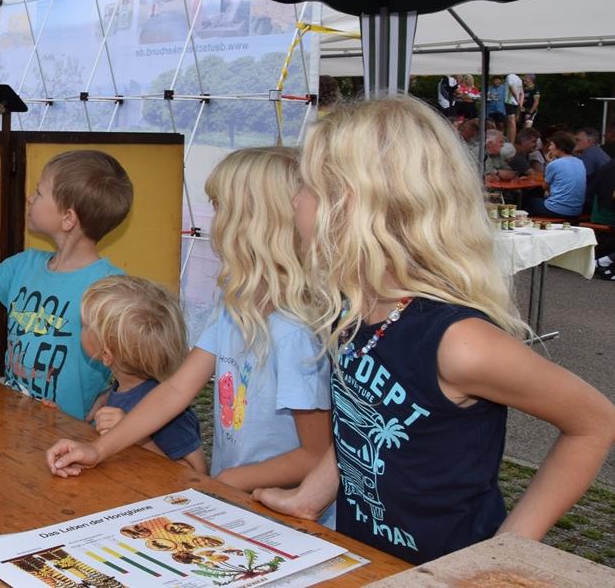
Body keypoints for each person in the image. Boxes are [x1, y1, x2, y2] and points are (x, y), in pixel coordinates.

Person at [251, 97, 614, 566]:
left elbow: (595, 423)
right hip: (371, 558)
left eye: (306, 184)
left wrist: (505, 552)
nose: (295, 197)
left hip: (448, 567)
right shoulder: (354, 309)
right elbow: (357, 417)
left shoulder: (459, 342)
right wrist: (309, 497)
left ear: (353, 204)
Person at [46, 147, 333, 500]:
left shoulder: (294, 333)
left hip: (289, 515)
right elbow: (176, 390)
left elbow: (317, 455)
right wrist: (99, 450)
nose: (213, 221)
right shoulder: (234, 307)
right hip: (240, 498)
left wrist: (226, 480)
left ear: (251, 223)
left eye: (219, 207)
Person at [0, 151, 132, 421]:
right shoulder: (23, 266)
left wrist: (110, 397)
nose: (30, 198)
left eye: (40, 192)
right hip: (14, 426)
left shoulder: (111, 288)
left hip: (70, 441)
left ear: (68, 218)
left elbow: (139, 365)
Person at [78, 275, 206, 472]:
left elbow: (196, 473)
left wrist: (140, 439)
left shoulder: (168, 410)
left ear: (106, 354)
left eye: (85, 325)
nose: (80, 328)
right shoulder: (123, 386)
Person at [525, 131, 586, 219]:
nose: (549, 148)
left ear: (560, 147)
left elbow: (544, 187)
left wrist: (548, 163)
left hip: (556, 210)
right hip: (576, 211)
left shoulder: (555, 164)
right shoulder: (580, 162)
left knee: (529, 200)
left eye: (552, 145)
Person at [504, 72, 525, 142]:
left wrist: (517, 99)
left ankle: (511, 143)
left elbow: (512, 89)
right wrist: (520, 104)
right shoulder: (519, 79)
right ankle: (508, 141)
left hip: (509, 102)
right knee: (510, 123)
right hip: (516, 103)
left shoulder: (509, 76)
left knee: (511, 123)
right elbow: (522, 93)